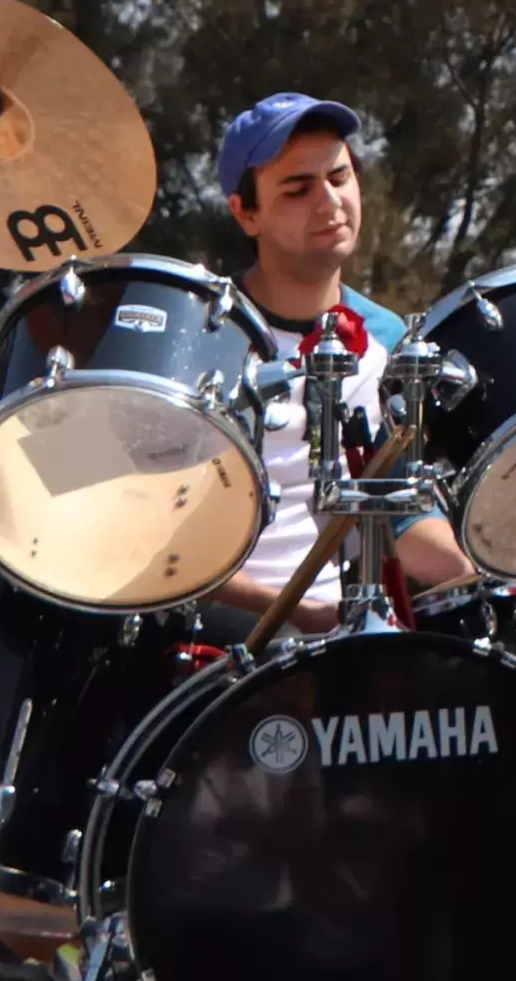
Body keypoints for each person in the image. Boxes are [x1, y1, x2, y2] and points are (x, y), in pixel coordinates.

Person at [200, 96, 474, 632]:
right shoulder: (203, 337)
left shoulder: (389, 338)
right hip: (214, 644)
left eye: (340, 176)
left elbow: (400, 510)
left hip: (339, 646)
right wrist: (298, 614)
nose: (330, 202)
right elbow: (153, 541)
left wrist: (478, 581)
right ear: (245, 212)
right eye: (298, 189)